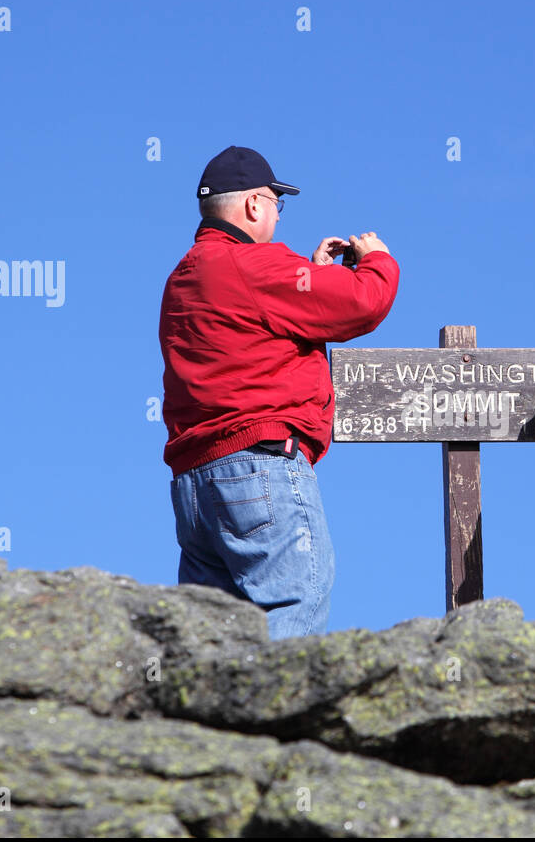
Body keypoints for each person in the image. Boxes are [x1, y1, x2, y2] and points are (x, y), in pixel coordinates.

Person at [159, 146, 399, 639]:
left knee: (215, 643)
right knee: (294, 613)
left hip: (196, 488)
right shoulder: (252, 265)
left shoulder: (184, 277)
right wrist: (376, 260)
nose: (276, 212)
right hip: (258, 470)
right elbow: (362, 303)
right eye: (275, 201)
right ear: (252, 205)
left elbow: (257, 331)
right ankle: (281, 719)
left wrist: (313, 272)